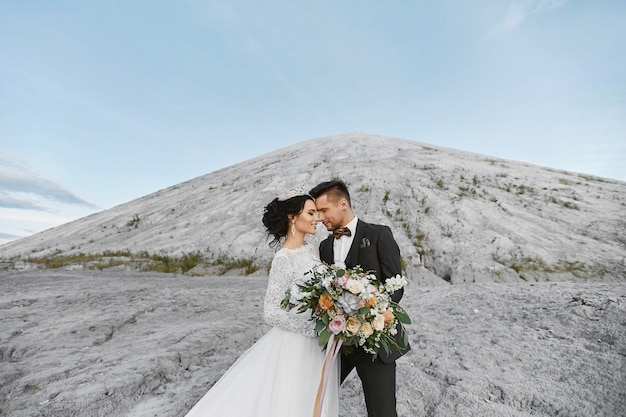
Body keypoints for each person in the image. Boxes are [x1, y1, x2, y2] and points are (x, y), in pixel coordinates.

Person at [184, 189, 339, 417]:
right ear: (292, 217)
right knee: (291, 400)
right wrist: (310, 328)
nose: (317, 218)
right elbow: (271, 311)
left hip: (319, 340)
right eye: (311, 212)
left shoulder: (313, 249)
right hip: (297, 342)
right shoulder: (283, 259)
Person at [309, 179, 410, 417]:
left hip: (375, 341)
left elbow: (395, 285)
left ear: (343, 203)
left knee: (382, 412)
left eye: (324, 210)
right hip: (337, 343)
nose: (320, 217)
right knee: (313, 398)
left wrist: (370, 315)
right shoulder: (324, 247)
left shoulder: (378, 235)